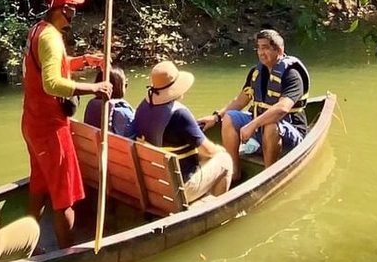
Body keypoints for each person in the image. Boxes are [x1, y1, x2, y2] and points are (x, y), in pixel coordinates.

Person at [21, 0, 112, 248]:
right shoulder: (50, 37)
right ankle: (67, 254)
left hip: (32, 122)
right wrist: (94, 88)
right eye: (72, 7)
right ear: (63, 9)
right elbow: (52, 83)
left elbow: (51, 68)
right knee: (64, 197)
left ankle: (30, 242)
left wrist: (83, 60)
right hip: (50, 127)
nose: (75, 13)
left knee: (39, 185)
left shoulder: (39, 30)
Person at [198, 28, 310, 183]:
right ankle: (235, 173)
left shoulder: (292, 75)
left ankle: (268, 177)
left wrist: (253, 124)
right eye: (258, 48)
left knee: (271, 124)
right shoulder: (256, 73)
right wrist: (216, 117)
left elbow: (282, 108)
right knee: (230, 118)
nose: (260, 52)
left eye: (265, 48)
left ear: (278, 49)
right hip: (260, 128)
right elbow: (239, 101)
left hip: (291, 133)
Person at [132, 60, 233, 202]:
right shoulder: (180, 114)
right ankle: (213, 208)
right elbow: (209, 152)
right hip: (180, 187)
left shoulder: (142, 107)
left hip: (154, 184)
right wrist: (220, 149)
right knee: (225, 160)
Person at [83, 65, 136, 138]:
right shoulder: (121, 111)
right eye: (125, 84)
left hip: (91, 147)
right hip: (114, 148)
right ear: (118, 86)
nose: (126, 86)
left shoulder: (92, 104)